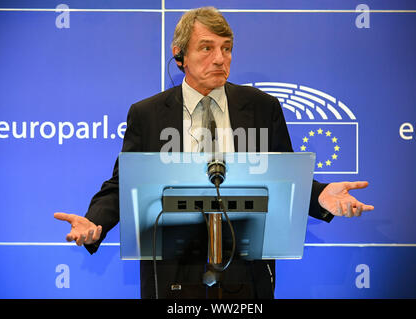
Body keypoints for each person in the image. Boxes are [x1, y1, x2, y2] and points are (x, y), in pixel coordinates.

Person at [54, 7, 374, 299]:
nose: (220, 59)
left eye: (226, 48)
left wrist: (320, 195)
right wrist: (93, 223)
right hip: (171, 271)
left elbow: (283, 178)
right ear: (180, 55)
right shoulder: (148, 114)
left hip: (246, 270)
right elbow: (123, 184)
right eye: (207, 48)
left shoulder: (262, 108)